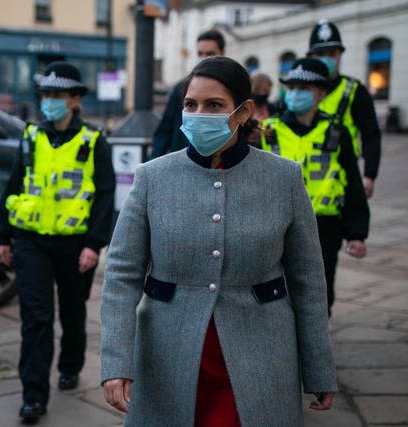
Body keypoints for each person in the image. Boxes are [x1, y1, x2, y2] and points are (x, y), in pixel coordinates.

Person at [100, 56, 337, 426]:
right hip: (169, 352)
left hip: (261, 353)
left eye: (214, 105)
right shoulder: (153, 177)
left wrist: (319, 367)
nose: (198, 114)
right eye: (191, 105)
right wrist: (116, 362)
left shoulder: (283, 178)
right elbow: (120, 275)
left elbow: (308, 280)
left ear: (243, 112)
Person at [0, 61, 115, 423]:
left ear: (75, 99)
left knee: (74, 312)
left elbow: (105, 197)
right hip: (31, 241)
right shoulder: (30, 137)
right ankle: (33, 394)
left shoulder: (93, 141)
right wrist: (4, 235)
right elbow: (14, 185)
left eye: (57, 95)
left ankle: (71, 364)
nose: (49, 101)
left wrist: (94, 244)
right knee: (35, 317)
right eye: (45, 94)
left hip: (75, 244)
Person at [261, 58, 369, 315]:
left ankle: (317, 337)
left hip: (324, 225)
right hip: (277, 222)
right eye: (292, 87)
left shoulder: (335, 132)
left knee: (320, 287)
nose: (295, 93)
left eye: (304, 88)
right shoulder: (269, 130)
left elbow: (352, 182)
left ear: (320, 94)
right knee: (278, 287)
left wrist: (356, 233)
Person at [307, 19, 381, 198]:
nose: (327, 59)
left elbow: (370, 134)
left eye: (332, 53)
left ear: (340, 55)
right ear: (310, 57)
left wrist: (369, 175)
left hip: (343, 173)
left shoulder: (354, 91)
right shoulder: (298, 91)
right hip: (304, 176)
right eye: (320, 53)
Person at [151, 29, 225, 158]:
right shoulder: (182, 88)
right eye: (200, 53)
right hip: (184, 161)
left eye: (210, 53)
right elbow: (164, 131)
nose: (204, 58)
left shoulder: (231, 89)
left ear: (222, 53)